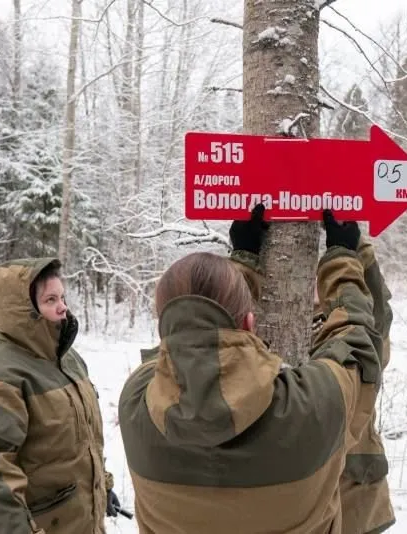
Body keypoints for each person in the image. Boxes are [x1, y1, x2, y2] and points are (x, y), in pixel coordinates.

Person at [119, 205, 385, 534]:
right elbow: (357, 342)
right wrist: (342, 257)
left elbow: (184, 344)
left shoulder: (136, 403)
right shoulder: (313, 404)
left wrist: (241, 260)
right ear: (249, 323)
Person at [0, 258, 120, 534]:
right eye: (50, 299)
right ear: (23, 311)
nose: (62, 306)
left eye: (62, 296)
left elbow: (85, 440)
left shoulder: (70, 362)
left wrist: (102, 485)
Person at [312, 240, 396, 533]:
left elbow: (377, 315)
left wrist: (356, 249)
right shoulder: (271, 324)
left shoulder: (359, 331)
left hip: (354, 494)